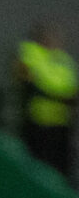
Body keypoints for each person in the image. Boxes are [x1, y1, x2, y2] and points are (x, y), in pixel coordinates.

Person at [17, 22, 76, 181]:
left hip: (61, 122)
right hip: (39, 122)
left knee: (61, 169)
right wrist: (58, 97)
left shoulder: (63, 59)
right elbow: (28, 83)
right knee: (39, 169)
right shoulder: (29, 53)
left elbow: (72, 88)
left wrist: (66, 98)